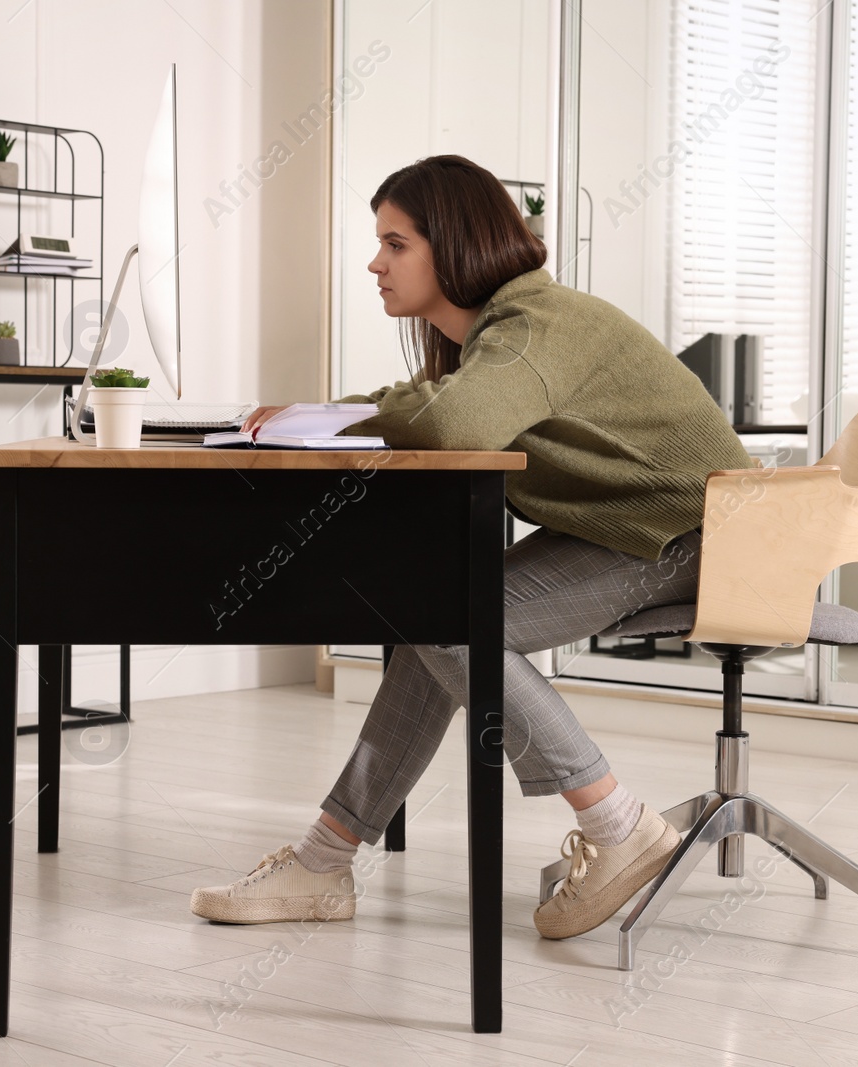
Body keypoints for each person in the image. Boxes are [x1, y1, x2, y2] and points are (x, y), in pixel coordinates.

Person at [190, 154, 753, 939]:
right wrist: (336, 411)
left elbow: (457, 424)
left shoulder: (533, 326)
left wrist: (335, 414)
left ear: (449, 246)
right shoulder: (501, 336)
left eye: (395, 244)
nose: (375, 263)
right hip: (642, 530)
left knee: (440, 611)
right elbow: (449, 407)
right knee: (434, 618)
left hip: (687, 537)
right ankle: (323, 862)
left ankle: (620, 825)